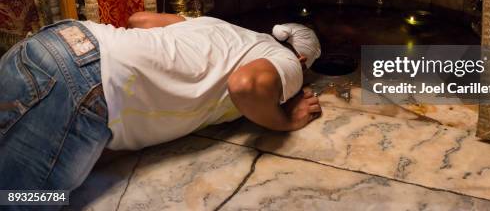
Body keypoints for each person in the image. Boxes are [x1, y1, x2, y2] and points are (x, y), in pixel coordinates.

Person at [0, 12, 322, 194]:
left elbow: (139, 20)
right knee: (22, 200)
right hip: (86, 81)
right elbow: (246, 85)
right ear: (303, 58)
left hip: (54, 41)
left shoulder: (218, 25)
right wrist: (286, 120)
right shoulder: (287, 59)